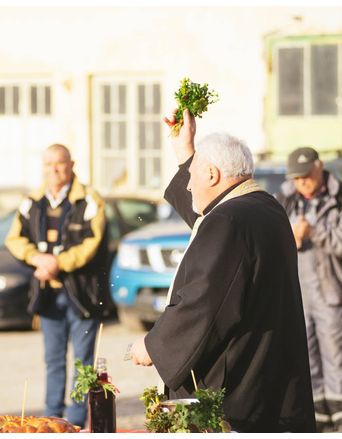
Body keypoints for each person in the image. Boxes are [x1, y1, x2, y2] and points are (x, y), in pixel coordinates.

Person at [130, 109, 316, 432]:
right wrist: (185, 152)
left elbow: (202, 302)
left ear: (213, 175)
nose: (187, 186)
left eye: (193, 176)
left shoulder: (229, 222)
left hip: (239, 391)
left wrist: (154, 345)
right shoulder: (266, 208)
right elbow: (208, 224)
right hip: (269, 378)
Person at [6, 143, 110, 428]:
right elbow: (14, 239)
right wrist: (36, 257)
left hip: (82, 295)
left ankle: (76, 422)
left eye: (59, 163)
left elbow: (92, 243)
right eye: (48, 164)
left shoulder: (90, 200)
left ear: (72, 164)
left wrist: (58, 262)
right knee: (53, 360)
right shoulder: (33, 201)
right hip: (47, 296)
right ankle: (52, 421)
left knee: (83, 363)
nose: (54, 169)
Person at [276, 147, 342, 432]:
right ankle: (318, 422)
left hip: (332, 292)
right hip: (298, 294)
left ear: (319, 167)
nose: (301, 182)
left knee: (337, 359)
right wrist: (293, 236)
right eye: (296, 178)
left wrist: (314, 232)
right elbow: (275, 241)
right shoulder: (286, 198)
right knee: (306, 361)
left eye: (305, 176)